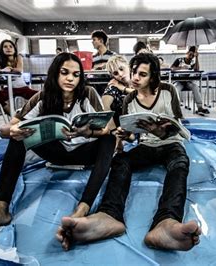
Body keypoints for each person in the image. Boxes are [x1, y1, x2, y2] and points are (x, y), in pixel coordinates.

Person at [56, 53, 201, 251]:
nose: (135, 78)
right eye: (134, 72)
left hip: (171, 143)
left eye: (142, 74)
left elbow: (179, 125)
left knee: (180, 164)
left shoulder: (168, 91)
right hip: (147, 145)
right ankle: (109, 215)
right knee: (121, 160)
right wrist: (125, 136)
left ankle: (166, 222)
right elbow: (133, 136)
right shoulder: (130, 99)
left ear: (153, 77)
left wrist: (161, 131)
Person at [0, 53, 116, 240]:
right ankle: (0, 208)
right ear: (55, 73)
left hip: (83, 152)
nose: (70, 78)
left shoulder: (87, 94)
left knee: (109, 140)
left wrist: (87, 133)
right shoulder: (42, 97)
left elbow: (106, 128)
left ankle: (83, 207)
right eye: (64, 72)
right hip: (56, 152)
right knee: (18, 138)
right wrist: (14, 131)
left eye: (76, 74)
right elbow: (5, 129)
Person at [0, 39, 37, 114]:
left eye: (11, 46)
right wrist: (0, 70)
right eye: (5, 47)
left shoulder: (18, 57)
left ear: (14, 49)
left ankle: (32, 114)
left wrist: (9, 69)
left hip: (22, 87)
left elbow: (19, 69)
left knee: (40, 95)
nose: (8, 48)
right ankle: (13, 116)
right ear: (2, 49)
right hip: (9, 89)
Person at [103, 55, 134, 151]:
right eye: (116, 73)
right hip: (119, 127)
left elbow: (144, 94)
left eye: (121, 69)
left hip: (137, 126)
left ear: (128, 66)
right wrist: (115, 134)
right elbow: (105, 108)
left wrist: (123, 89)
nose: (120, 74)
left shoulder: (138, 81)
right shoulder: (113, 87)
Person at [171, 46, 210, 115]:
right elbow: (171, 68)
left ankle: (200, 107)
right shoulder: (179, 60)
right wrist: (180, 68)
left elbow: (197, 70)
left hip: (188, 82)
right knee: (175, 89)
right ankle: (174, 108)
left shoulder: (192, 63)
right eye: (190, 54)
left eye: (193, 55)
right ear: (187, 53)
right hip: (179, 81)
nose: (191, 56)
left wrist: (197, 58)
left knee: (195, 87)